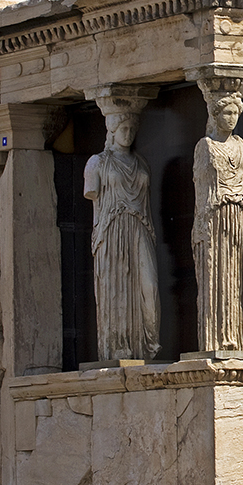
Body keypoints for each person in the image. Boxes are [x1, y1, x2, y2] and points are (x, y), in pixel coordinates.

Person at [84, 111, 161, 361]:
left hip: (140, 228)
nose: (127, 134)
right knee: (116, 287)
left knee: (149, 288)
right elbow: (93, 195)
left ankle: (147, 345)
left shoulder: (142, 163)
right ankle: (118, 347)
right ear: (112, 131)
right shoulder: (97, 163)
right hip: (112, 229)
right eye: (122, 129)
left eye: (131, 129)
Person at [193, 91, 243, 351]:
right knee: (221, 276)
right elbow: (202, 190)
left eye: (235, 113)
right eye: (227, 113)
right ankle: (224, 338)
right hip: (218, 215)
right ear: (215, 115)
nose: (232, 118)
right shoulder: (205, 147)